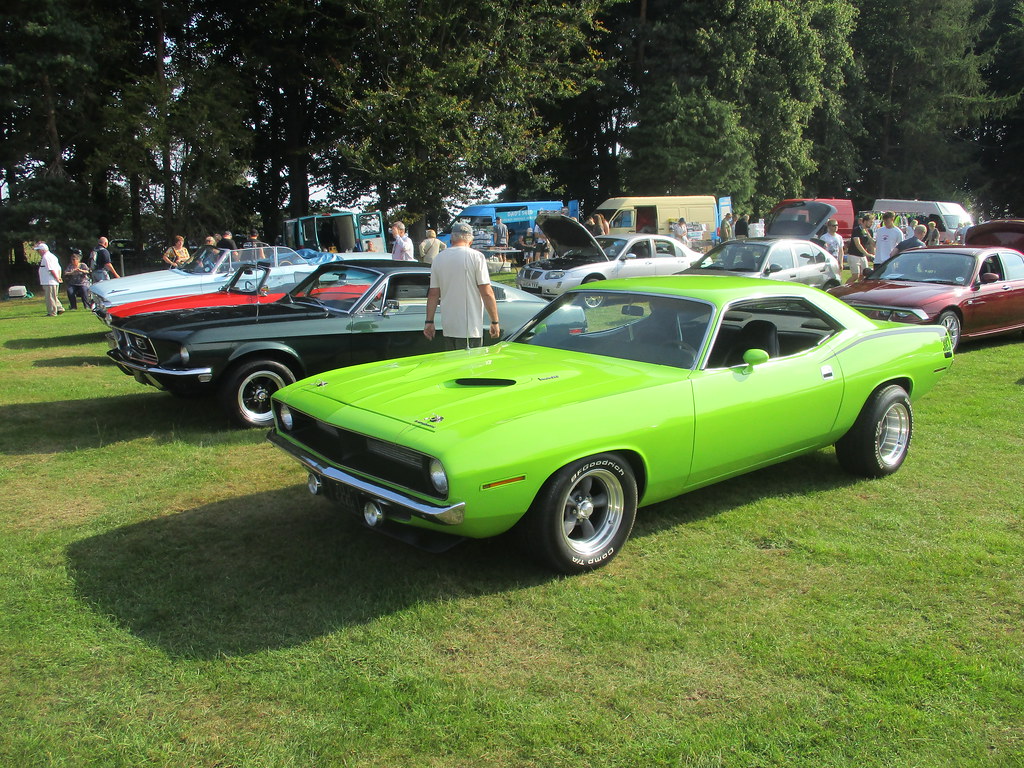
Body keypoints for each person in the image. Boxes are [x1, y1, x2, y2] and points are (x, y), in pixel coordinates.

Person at [423, 222, 500, 350]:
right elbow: (487, 292)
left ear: (452, 238)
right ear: (470, 240)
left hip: (448, 326)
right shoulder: (476, 257)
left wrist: (429, 321)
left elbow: (433, 294)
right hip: (470, 328)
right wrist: (495, 321)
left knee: (453, 366)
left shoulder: (438, 258)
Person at [35, 242, 64, 316]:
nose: (38, 252)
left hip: (49, 281)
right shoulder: (52, 256)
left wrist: (57, 278)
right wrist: (58, 277)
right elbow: (58, 268)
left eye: (38, 250)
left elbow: (51, 269)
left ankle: (52, 312)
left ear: (42, 250)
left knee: (50, 297)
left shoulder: (46, 257)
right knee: (53, 296)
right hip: (52, 280)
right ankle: (59, 308)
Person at [848, 214, 875, 283]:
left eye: (872, 222)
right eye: (870, 222)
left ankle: (858, 289)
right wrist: (867, 254)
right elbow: (857, 243)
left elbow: (872, 243)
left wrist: (873, 254)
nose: (871, 224)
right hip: (853, 255)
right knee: (855, 275)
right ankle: (843, 288)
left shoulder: (869, 231)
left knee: (864, 274)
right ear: (865, 221)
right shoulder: (857, 230)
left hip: (862, 256)